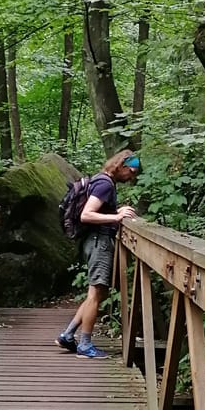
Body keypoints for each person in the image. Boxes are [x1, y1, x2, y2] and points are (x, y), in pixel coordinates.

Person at [56, 149, 140, 358]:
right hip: (98, 243)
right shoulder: (105, 184)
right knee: (95, 294)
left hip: (94, 241)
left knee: (99, 292)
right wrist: (116, 218)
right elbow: (87, 215)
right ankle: (85, 345)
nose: (132, 177)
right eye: (131, 171)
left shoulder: (101, 180)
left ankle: (68, 335)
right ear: (120, 165)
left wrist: (114, 212)